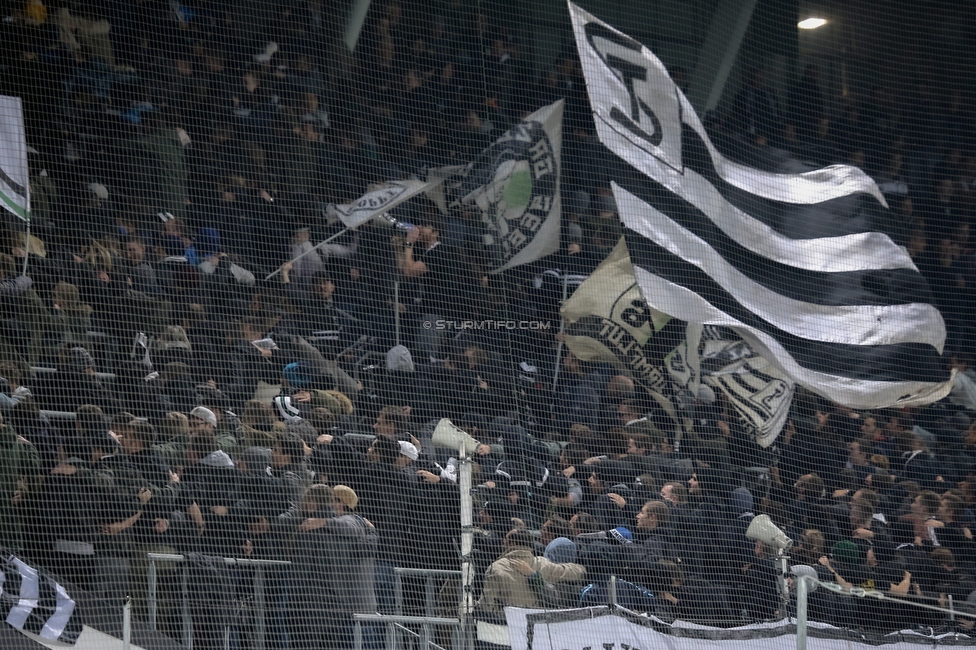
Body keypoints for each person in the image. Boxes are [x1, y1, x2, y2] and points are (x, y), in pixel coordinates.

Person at [477, 529, 586, 613]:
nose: (503, 542)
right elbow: (578, 572)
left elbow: (486, 606)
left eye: (505, 539)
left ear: (512, 543)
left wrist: (509, 615)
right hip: (537, 627)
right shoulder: (542, 564)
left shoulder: (495, 568)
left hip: (506, 630)